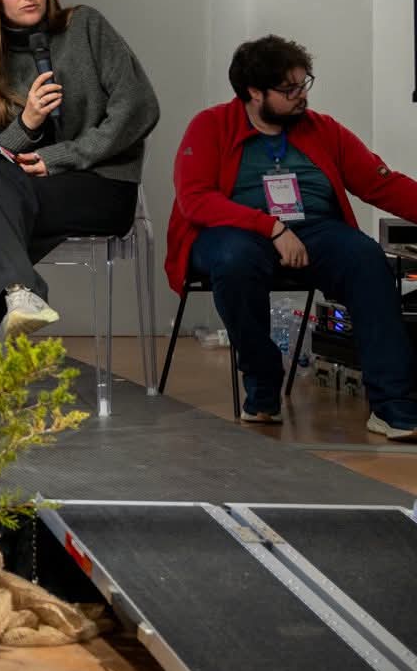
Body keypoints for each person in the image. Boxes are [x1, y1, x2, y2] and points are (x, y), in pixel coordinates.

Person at [167, 36, 417, 438]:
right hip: (232, 230)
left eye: (304, 84)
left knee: (366, 258)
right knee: (235, 261)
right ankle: (262, 386)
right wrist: (272, 227)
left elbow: (380, 183)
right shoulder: (210, 126)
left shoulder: (322, 129)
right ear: (254, 93)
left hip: (315, 229)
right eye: (289, 89)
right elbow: (195, 200)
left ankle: (393, 406)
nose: (302, 95)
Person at [0, 0, 159, 369]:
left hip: (102, 188)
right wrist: (28, 123)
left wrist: (62, 156)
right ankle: (15, 295)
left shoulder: (85, 26)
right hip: (28, 192)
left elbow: (139, 106)